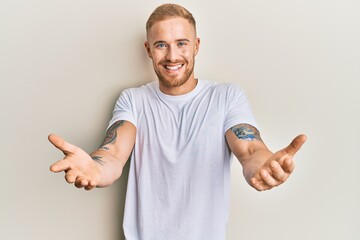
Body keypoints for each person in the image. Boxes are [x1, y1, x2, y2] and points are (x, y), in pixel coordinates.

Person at [49, 3, 307, 240]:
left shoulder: (226, 96)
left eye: (181, 43)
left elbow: (250, 148)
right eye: (161, 45)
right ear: (148, 50)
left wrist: (262, 167)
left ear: (196, 45)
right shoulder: (134, 100)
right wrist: (95, 168)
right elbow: (114, 153)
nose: (172, 56)